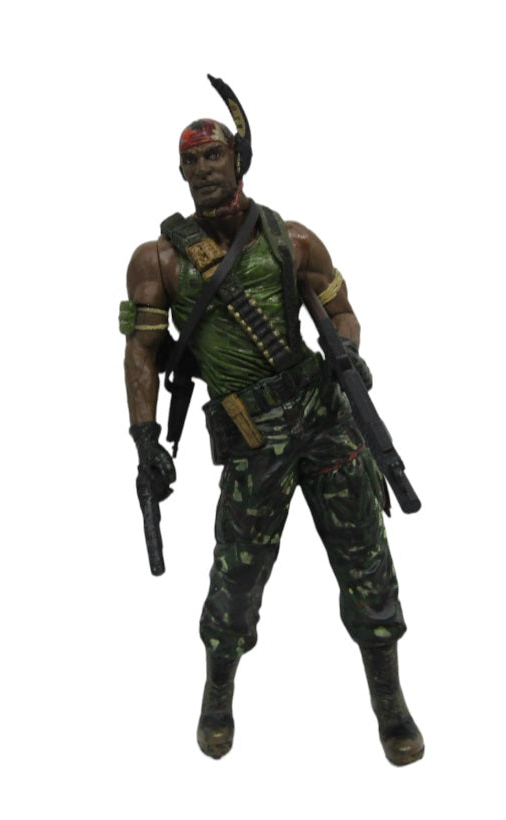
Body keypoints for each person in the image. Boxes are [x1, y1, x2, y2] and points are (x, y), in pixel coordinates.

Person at [121, 77, 423, 765]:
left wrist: (348, 353)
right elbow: (140, 351)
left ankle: (390, 704)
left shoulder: (293, 240)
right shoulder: (159, 259)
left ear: (240, 157)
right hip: (252, 438)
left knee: (369, 567)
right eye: (190, 160)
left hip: (324, 419)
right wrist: (144, 440)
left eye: (213, 155)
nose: (202, 169)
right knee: (236, 581)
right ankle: (217, 695)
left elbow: (340, 309)